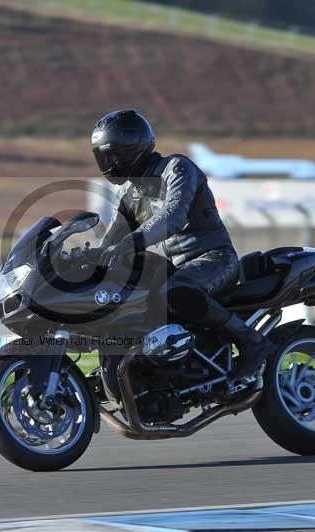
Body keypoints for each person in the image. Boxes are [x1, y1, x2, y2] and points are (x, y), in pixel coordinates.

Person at [91, 109, 274, 392]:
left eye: (113, 154)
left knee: (175, 292)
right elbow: (112, 239)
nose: (109, 162)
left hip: (215, 260)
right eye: (103, 155)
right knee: (126, 295)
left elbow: (173, 216)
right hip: (180, 269)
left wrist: (131, 242)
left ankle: (252, 341)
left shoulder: (176, 168)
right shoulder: (130, 196)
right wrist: (86, 257)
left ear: (133, 148)